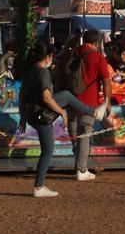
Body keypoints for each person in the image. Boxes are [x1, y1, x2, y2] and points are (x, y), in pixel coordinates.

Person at [18, 43, 100, 198]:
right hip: (41, 114)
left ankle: (40, 185)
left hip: (32, 114)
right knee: (48, 150)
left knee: (47, 149)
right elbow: (46, 98)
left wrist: (23, 117)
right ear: (47, 57)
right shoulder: (43, 73)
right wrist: (62, 111)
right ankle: (39, 186)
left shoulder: (29, 72)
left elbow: (22, 96)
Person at [67, 29, 114, 181]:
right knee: (85, 134)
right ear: (96, 42)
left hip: (70, 100)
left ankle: (78, 163)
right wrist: (107, 104)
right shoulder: (98, 57)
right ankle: (81, 169)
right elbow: (107, 82)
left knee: (75, 134)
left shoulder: (73, 54)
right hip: (88, 102)